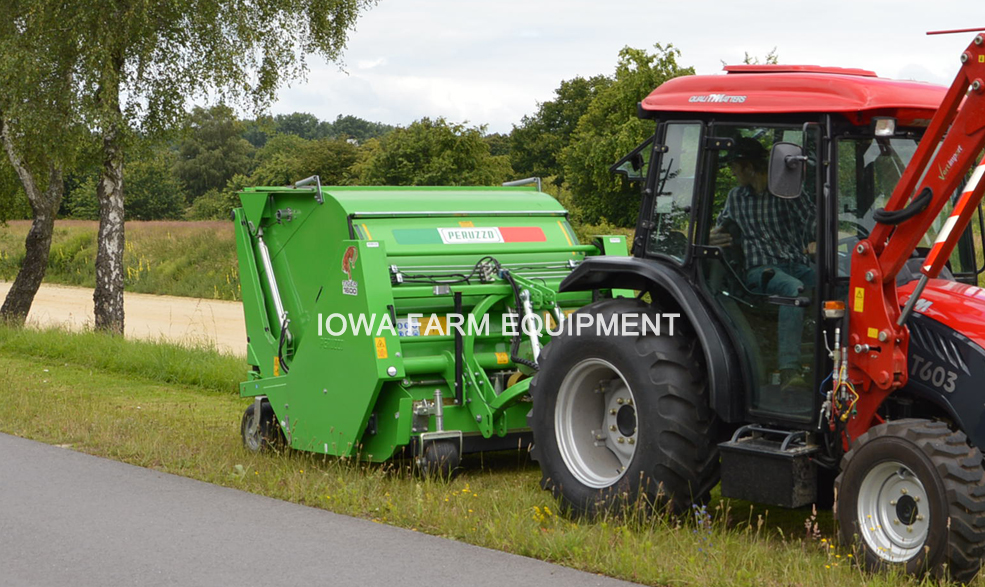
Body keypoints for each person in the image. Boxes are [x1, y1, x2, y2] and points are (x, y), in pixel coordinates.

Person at [709, 137, 816, 389]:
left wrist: (819, 239)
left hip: (796, 264)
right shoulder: (736, 198)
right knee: (793, 290)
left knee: (839, 284)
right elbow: (718, 229)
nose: (733, 173)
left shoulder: (789, 193)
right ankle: (790, 370)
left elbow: (814, 221)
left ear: (747, 167)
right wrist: (710, 237)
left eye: (735, 166)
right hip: (761, 271)